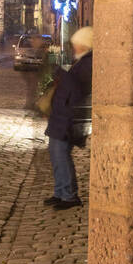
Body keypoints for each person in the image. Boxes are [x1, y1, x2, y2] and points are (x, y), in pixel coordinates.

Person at [44, 26, 93, 211]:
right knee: (57, 155)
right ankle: (60, 192)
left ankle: (69, 195)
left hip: (69, 118)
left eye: (77, 44)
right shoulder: (81, 61)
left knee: (61, 155)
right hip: (62, 116)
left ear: (84, 45)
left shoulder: (87, 63)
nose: (74, 47)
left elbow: (78, 89)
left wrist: (62, 73)